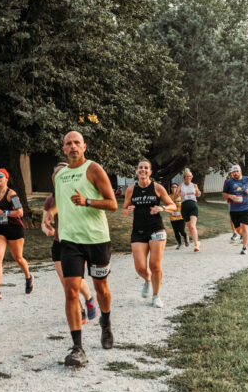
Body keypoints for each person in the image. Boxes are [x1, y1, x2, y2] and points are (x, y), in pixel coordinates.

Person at [54, 131, 117, 366]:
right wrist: (54, 225)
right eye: (68, 143)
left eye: (76, 143)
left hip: (97, 239)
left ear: (84, 146)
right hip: (70, 242)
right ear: (63, 149)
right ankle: (77, 347)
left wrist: (87, 201)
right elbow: (60, 206)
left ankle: (106, 323)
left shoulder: (93, 169)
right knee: (71, 290)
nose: (72, 147)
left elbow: (112, 203)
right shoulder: (59, 176)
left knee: (101, 288)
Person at [41, 165, 98, 324]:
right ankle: (80, 312)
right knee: (66, 282)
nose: (57, 174)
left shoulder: (80, 194)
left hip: (79, 241)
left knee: (75, 280)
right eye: (54, 173)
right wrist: (48, 230)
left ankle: (88, 297)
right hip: (60, 243)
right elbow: (44, 223)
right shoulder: (51, 199)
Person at [123, 159, 175, 307]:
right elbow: (124, 210)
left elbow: (172, 205)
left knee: (155, 265)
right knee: (140, 267)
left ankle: (156, 296)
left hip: (156, 229)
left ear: (150, 172)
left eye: (146, 168)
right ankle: (147, 280)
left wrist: (162, 208)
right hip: (138, 231)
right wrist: (128, 210)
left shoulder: (158, 188)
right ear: (136, 171)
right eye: (140, 167)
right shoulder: (131, 189)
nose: (143, 170)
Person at [0, 168, 32, 300]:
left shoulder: (12, 194)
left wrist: (4, 212)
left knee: (18, 258)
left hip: (14, 228)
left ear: (6, 178)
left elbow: (20, 212)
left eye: (1, 175)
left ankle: (28, 277)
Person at [221, 165, 248, 255]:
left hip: (246, 207)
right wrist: (230, 196)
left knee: (244, 227)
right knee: (238, 230)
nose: (235, 173)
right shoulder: (229, 182)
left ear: (240, 171)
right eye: (234, 172)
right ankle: (245, 237)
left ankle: (244, 248)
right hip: (234, 209)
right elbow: (224, 193)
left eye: (237, 171)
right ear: (232, 173)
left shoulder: (247, 179)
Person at [179, 169, 202, 252]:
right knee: (190, 228)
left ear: (191, 177)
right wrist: (179, 194)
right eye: (187, 176)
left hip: (193, 206)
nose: (188, 178)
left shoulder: (194, 185)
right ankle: (197, 241)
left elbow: (198, 194)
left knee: (192, 226)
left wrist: (198, 192)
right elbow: (175, 196)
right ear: (184, 177)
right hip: (184, 208)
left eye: (190, 176)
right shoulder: (181, 185)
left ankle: (196, 245)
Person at [168, 183, 188, 249]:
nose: (174, 188)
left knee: (181, 230)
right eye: (173, 187)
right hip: (173, 217)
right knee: (176, 231)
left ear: (178, 188)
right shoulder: (168, 197)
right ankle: (179, 244)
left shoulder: (181, 196)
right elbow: (167, 206)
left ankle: (185, 238)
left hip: (181, 216)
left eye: (175, 187)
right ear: (171, 188)